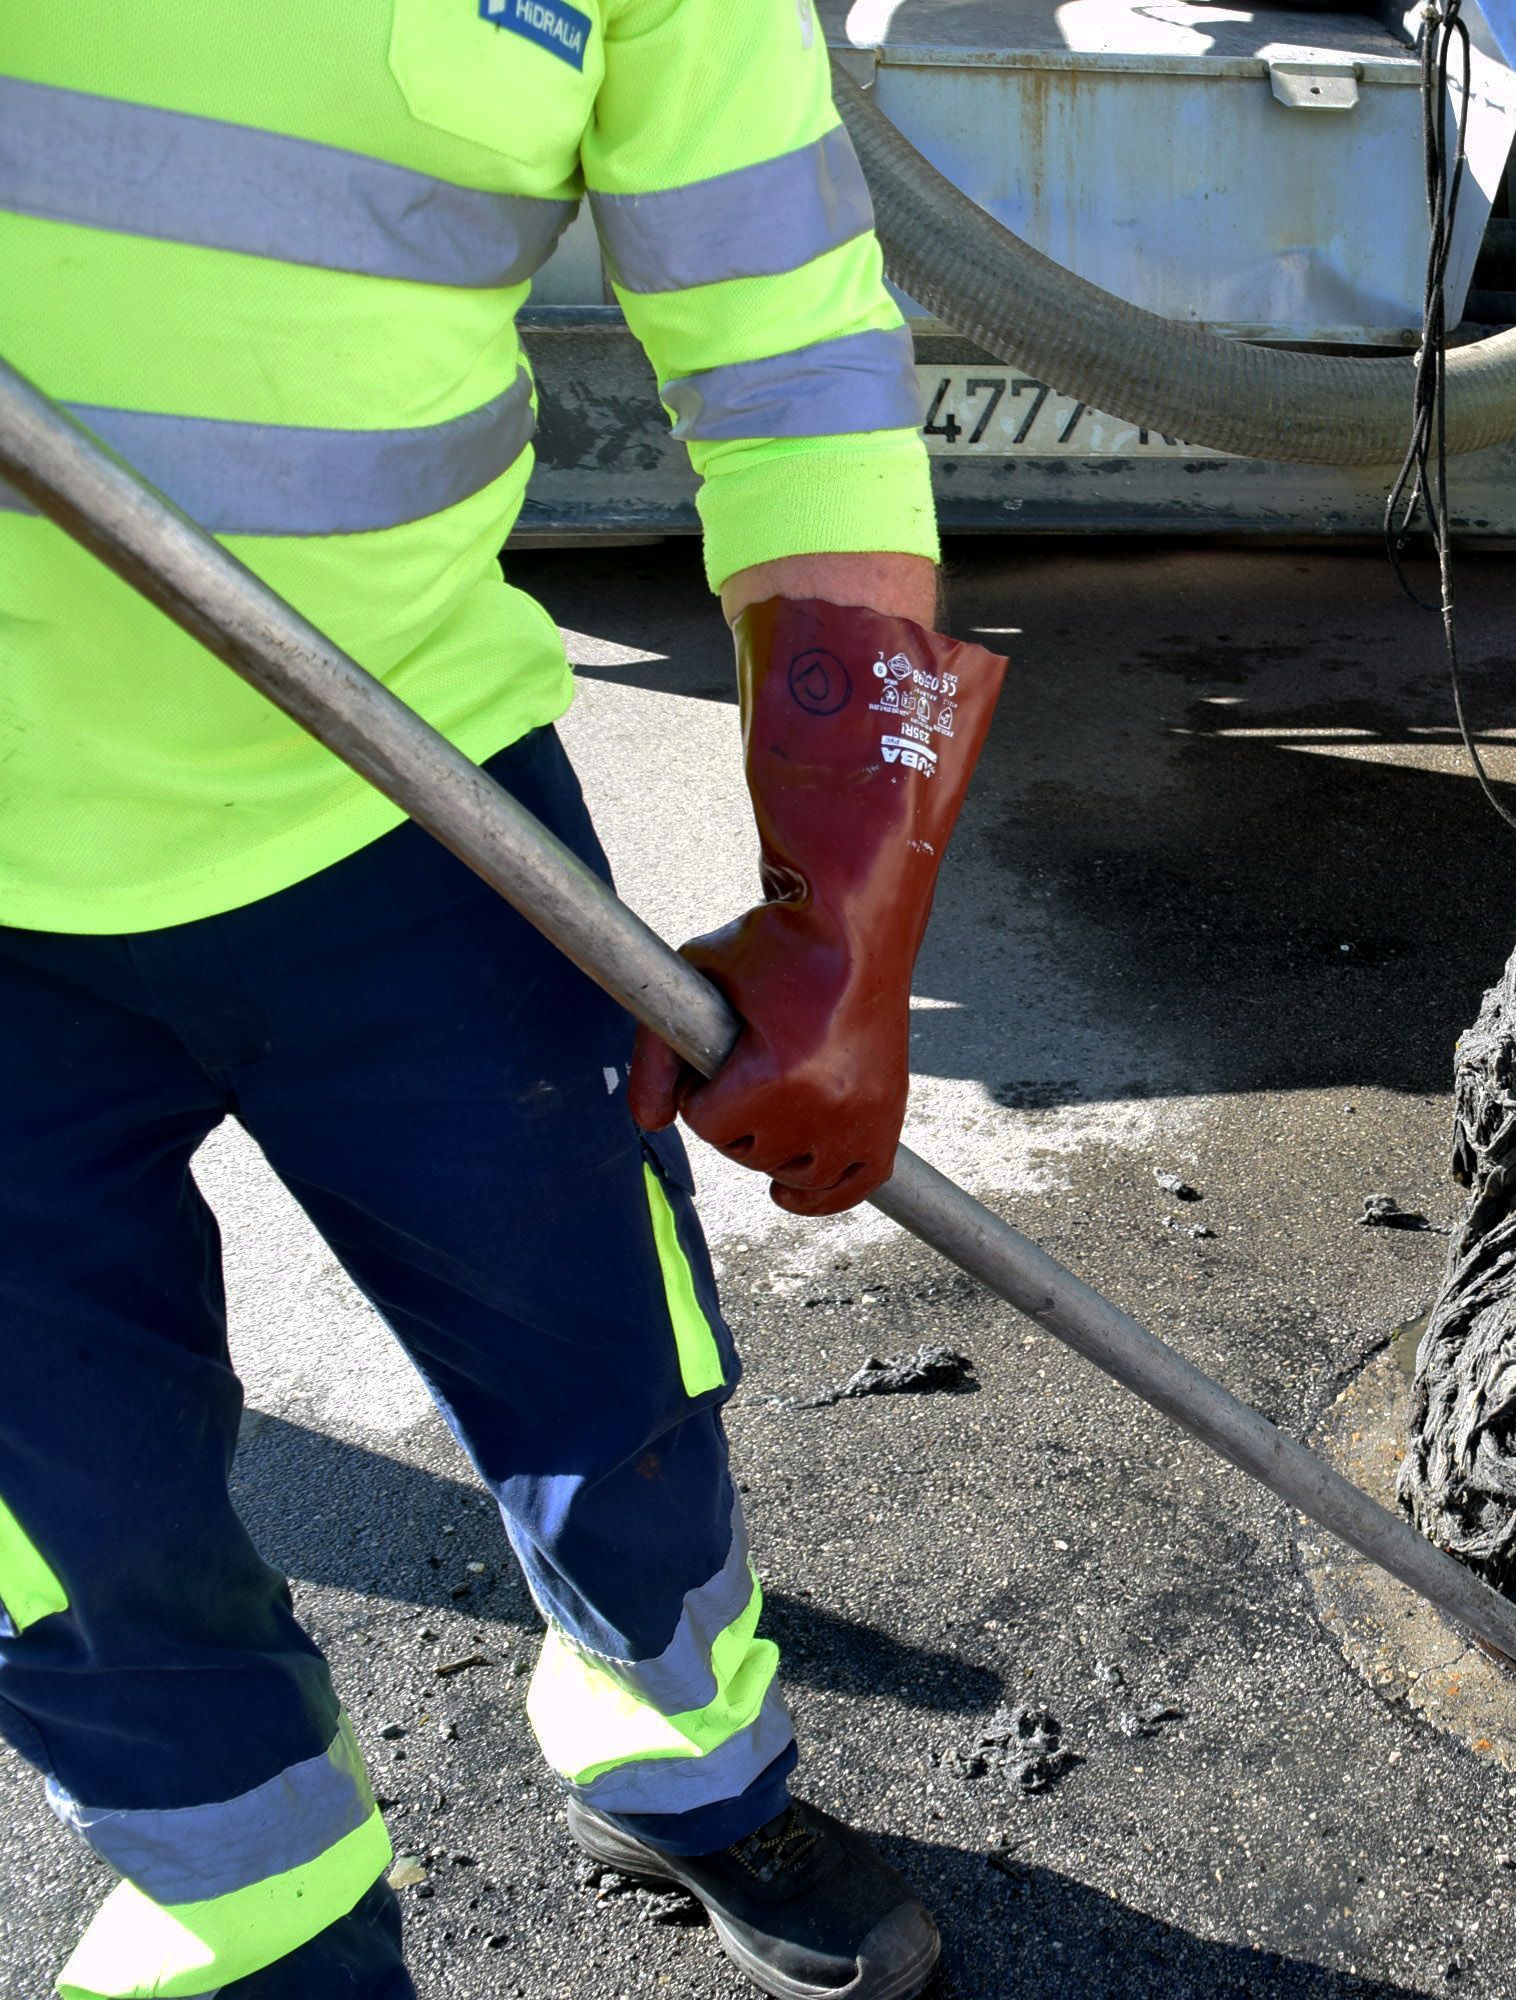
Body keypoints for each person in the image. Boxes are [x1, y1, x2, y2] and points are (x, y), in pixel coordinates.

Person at [0, 6, 1000, 1995]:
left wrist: (850, 904)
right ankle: (252, 1909)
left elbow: (787, 355)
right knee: (58, 1500)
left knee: (607, 1374)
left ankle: (678, 1760)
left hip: (412, 812)